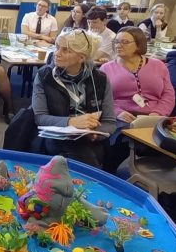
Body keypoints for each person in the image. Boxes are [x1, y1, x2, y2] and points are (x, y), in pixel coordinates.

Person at [31, 29, 118, 172]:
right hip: (55, 137)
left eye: (66, 50)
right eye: (57, 47)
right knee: (78, 155)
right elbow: (40, 117)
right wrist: (71, 122)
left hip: (89, 139)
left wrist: (95, 132)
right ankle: (91, 185)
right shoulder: (45, 76)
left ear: (82, 58)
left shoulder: (101, 79)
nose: (57, 53)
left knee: (82, 153)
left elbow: (110, 122)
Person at [100, 27, 175, 121]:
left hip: (155, 116)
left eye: (125, 42)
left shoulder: (158, 65)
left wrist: (158, 113)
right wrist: (117, 112)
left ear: (139, 44)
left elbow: (168, 94)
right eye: (116, 42)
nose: (118, 45)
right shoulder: (106, 69)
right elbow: (100, 98)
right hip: (121, 117)